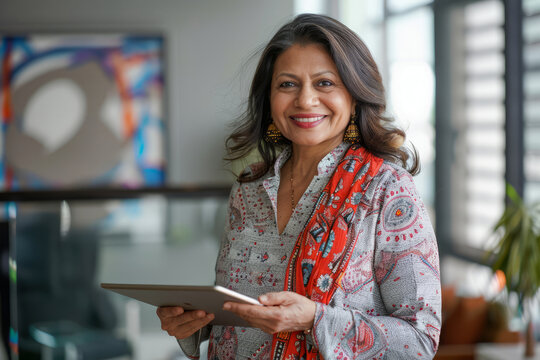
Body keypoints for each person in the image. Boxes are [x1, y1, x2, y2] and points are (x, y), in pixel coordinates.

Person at [157, 13, 441, 359]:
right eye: (287, 84)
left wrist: (314, 320)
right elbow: (237, 310)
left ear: (354, 94)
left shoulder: (386, 190)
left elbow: (419, 340)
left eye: (324, 83)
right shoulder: (248, 191)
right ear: (269, 98)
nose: (305, 100)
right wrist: (192, 324)